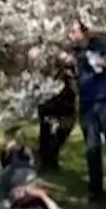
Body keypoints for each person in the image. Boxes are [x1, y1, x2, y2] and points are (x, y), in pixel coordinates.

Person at [67, 16, 106, 204]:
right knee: (91, 148)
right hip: (87, 105)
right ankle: (96, 190)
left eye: (73, 31)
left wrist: (104, 64)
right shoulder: (74, 53)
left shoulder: (102, 46)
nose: (69, 36)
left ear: (84, 32)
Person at [34, 42, 76, 172]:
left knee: (65, 126)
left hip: (66, 94)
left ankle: (51, 156)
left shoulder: (72, 58)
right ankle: (46, 160)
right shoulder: (45, 53)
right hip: (49, 92)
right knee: (46, 128)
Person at [0, 127, 38, 202]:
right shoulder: (28, 148)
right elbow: (32, 161)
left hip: (15, 170)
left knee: (2, 181)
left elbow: (4, 160)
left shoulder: (10, 145)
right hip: (30, 173)